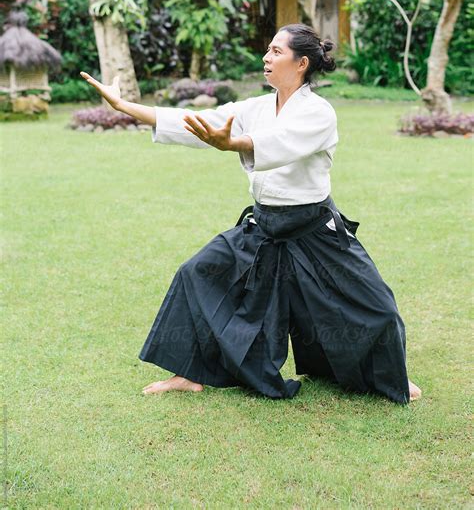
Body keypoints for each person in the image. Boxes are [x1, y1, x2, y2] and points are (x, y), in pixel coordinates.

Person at [80, 23, 422, 404]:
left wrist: (233, 144)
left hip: (314, 231)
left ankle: (392, 376)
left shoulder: (318, 113)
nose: (266, 57)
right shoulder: (256, 107)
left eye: (276, 51)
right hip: (264, 226)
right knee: (196, 273)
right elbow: (197, 121)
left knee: (376, 304)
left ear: (301, 63)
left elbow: (279, 143)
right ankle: (189, 373)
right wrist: (123, 106)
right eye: (269, 49)